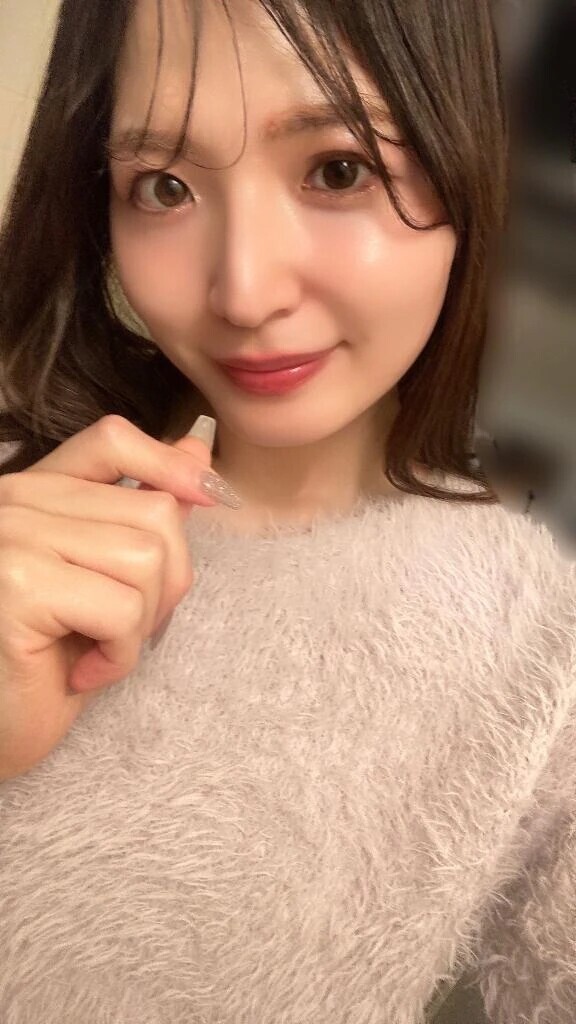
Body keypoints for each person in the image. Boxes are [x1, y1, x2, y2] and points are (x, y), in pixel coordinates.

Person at [0, 1, 574, 1022]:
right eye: (164, 186)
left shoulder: (537, 639)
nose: (244, 291)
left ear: (465, 159)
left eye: (339, 170)